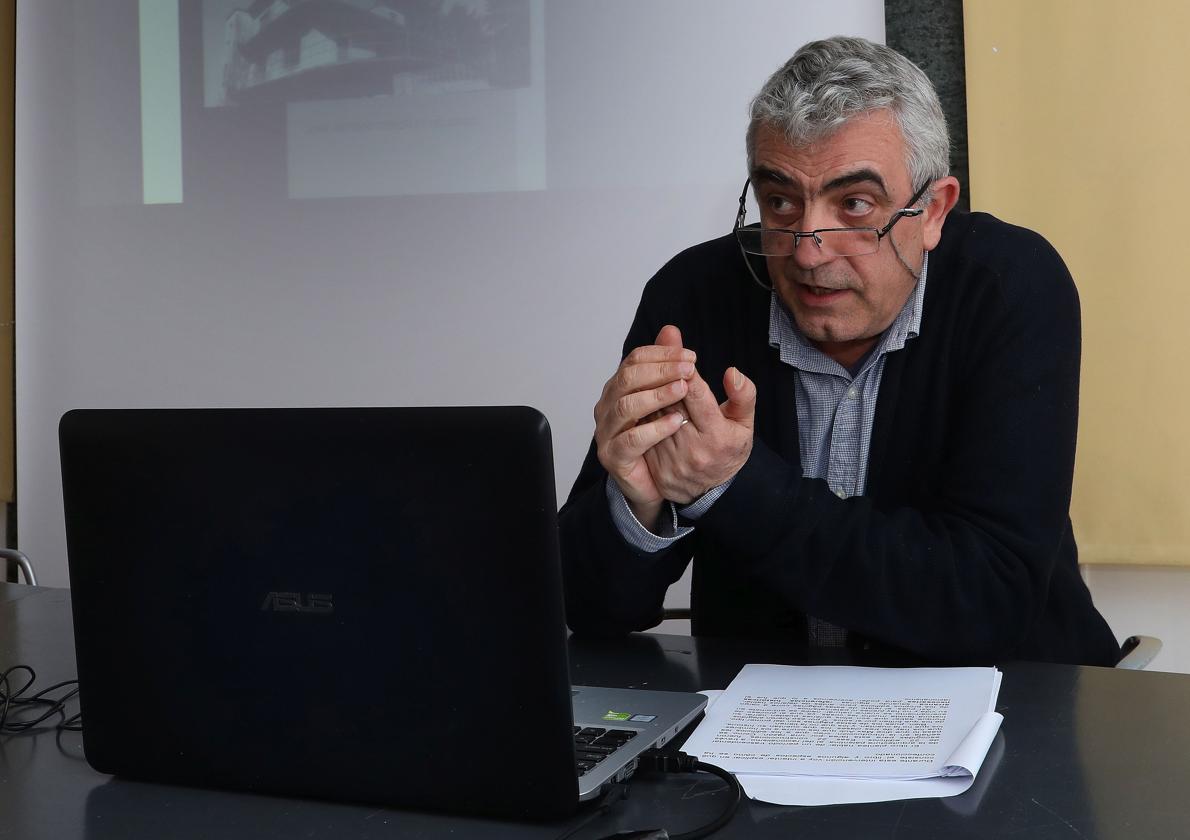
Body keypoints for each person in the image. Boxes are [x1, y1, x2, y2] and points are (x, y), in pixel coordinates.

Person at [558, 35, 1120, 666]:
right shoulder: (694, 296)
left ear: (933, 210)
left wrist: (735, 489)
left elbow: (987, 599)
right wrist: (633, 506)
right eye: (779, 202)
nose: (805, 250)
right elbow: (587, 612)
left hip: (1011, 706)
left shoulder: (1010, 288)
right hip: (762, 727)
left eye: (854, 206)